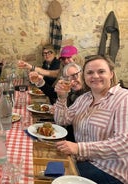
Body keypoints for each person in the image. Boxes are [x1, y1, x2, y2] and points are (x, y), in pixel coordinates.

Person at [53, 55, 128, 184]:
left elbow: (123, 144)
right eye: (89, 72)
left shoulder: (123, 98)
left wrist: (79, 148)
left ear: (111, 74)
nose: (95, 76)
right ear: (85, 77)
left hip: (110, 170)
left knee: (54, 177)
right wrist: (62, 97)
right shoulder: (84, 98)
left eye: (101, 71)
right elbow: (62, 120)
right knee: (49, 168)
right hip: (82, 162)